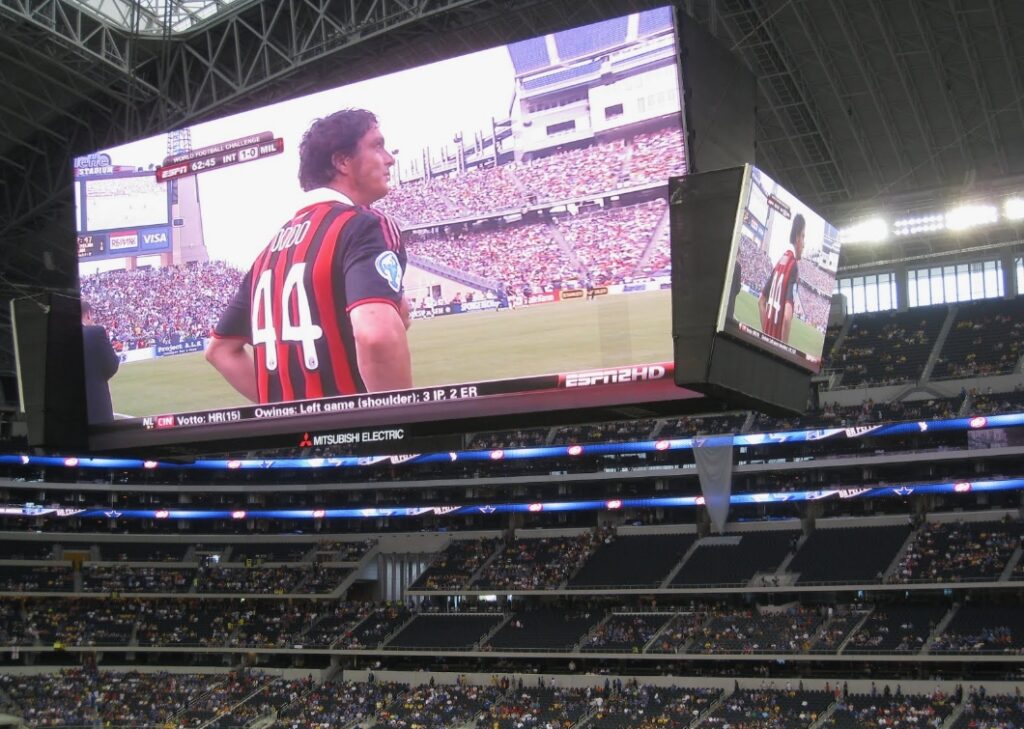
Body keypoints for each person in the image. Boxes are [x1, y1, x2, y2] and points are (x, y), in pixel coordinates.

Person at [207, 109, 412, 403]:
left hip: (294, 443)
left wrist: (282, 410)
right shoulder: (364, 224)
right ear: (343, 161)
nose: (389, 158)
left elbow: (220, 351)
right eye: (377, 145)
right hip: (358, 443)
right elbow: (376, 335)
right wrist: (400, 427)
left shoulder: (268, 251)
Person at [758, 213, 805, 343]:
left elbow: (761, 301)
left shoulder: (779, 262)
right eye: (803, 236)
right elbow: (787, 317)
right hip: (775, 350)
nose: (804, 244)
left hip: (765, 343)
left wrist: (765, 333)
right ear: (797, 238)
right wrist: (783, 350)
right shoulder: (793, 266)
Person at [81, 300, 119, 423]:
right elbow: (112, 365)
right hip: (96, 406)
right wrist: (96, 378)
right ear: (88, 314)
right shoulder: (95, 332)